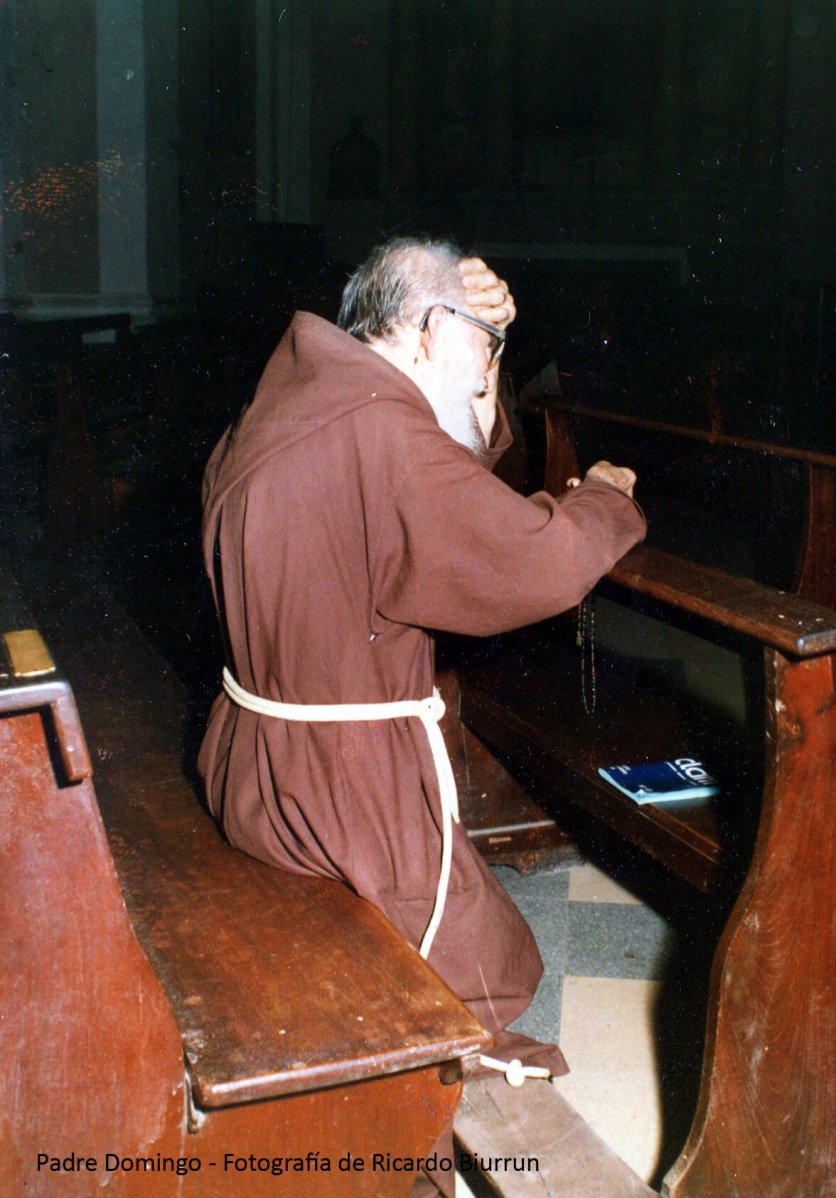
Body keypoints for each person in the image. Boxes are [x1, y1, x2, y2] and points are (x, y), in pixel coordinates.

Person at [198, 236, 645, 1192]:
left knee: (480, 940)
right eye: (488, 350)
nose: (491, 379)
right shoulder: (379, 433)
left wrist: (484, 358)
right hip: (345, 794)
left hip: (251, 765)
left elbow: (438, 468)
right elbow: (536, 561)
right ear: (431, 328)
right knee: (485, 979)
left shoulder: (292, 399)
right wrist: (602, 502)